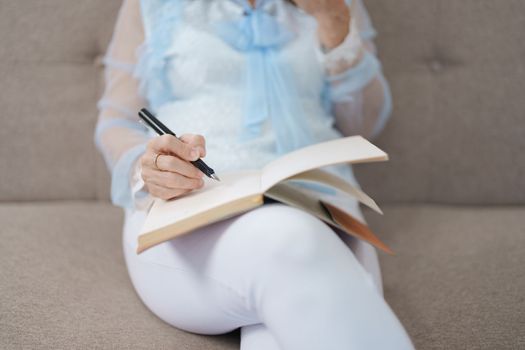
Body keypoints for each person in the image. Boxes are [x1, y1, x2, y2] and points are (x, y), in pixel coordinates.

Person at [95, 0, 414, 348]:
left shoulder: (339, 4)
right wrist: (149, 168)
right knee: (293, 240)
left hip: (323, 204)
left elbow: (363, 126)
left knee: (284, 311)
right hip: (188, 209)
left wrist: (334, 25)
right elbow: (117, 123)